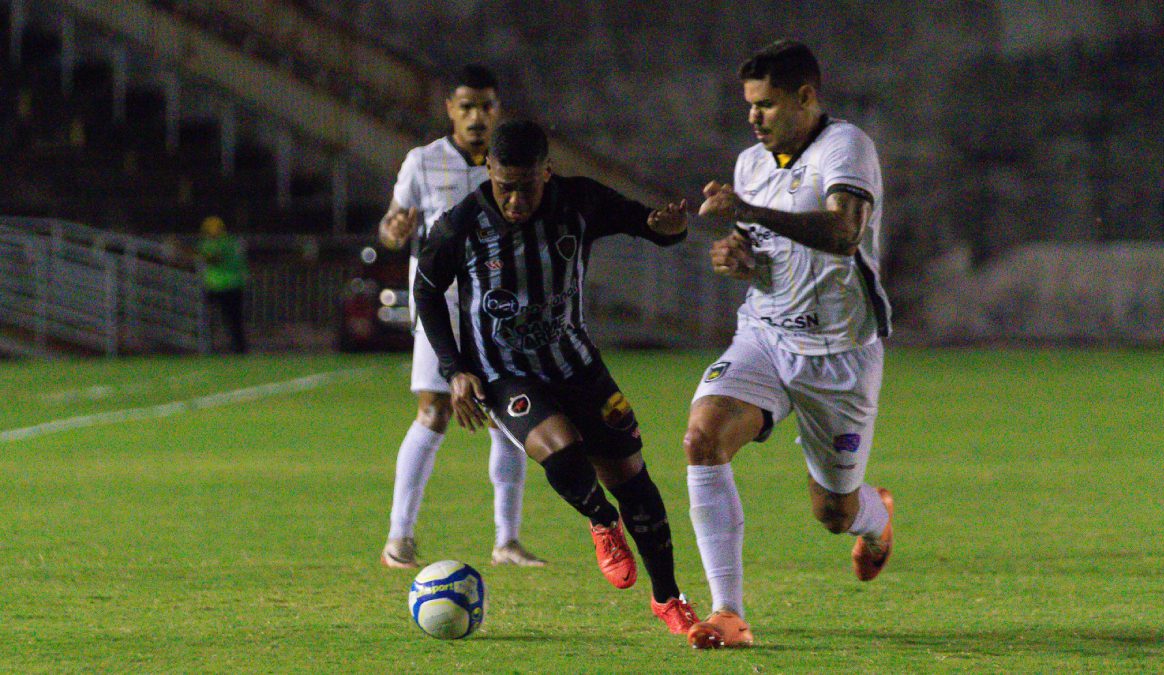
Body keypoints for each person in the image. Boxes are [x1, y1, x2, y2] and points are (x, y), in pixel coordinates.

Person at [413, 119, 699, 634]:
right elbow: (427, 292)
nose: (516, 200)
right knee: (563, 451)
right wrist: (456, 371)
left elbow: (646, 225)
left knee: (635, 485)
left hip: (577, 365)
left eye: (527, 187)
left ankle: (668, 599)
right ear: (489, 171)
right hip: (504, 373)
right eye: (505, 187)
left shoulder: (578, 201)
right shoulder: (460, 225)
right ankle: (600, 520)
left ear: (548, 171)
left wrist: (670, 228)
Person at [682, 40, 895, 649]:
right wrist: (738, 255)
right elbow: (764, 249)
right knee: (702, 438)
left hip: (840, 353)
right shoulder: (752, 162)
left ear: (805, 97)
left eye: (767, 105)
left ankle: (875, 520)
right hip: (766, 336)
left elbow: (843, 233)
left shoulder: (845, 147)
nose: (754, 117)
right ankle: (728, 613)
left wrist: (746, 211)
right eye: (750, 105)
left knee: (834, 513)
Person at [377, 65, 546, 569]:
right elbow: (391, 226)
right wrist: (395, 229)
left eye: (486, 106)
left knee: (509, 417)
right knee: (434, 408)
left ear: (498, 110)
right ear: (449, 108)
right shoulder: (423, 161)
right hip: (442, 306)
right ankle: (398, 538)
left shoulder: (510, 165)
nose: (476, 116)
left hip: (499, 307)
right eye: (466, 106)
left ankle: (507, 540)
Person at [198, 215, 248, 354]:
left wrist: (186, 252)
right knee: (222, 320)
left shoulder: (224, 242)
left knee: (232, 320)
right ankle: (226, 347)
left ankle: (237, 348)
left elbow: (213, 258)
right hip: (224, 285)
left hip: (225, 285)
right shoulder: (231, 241)